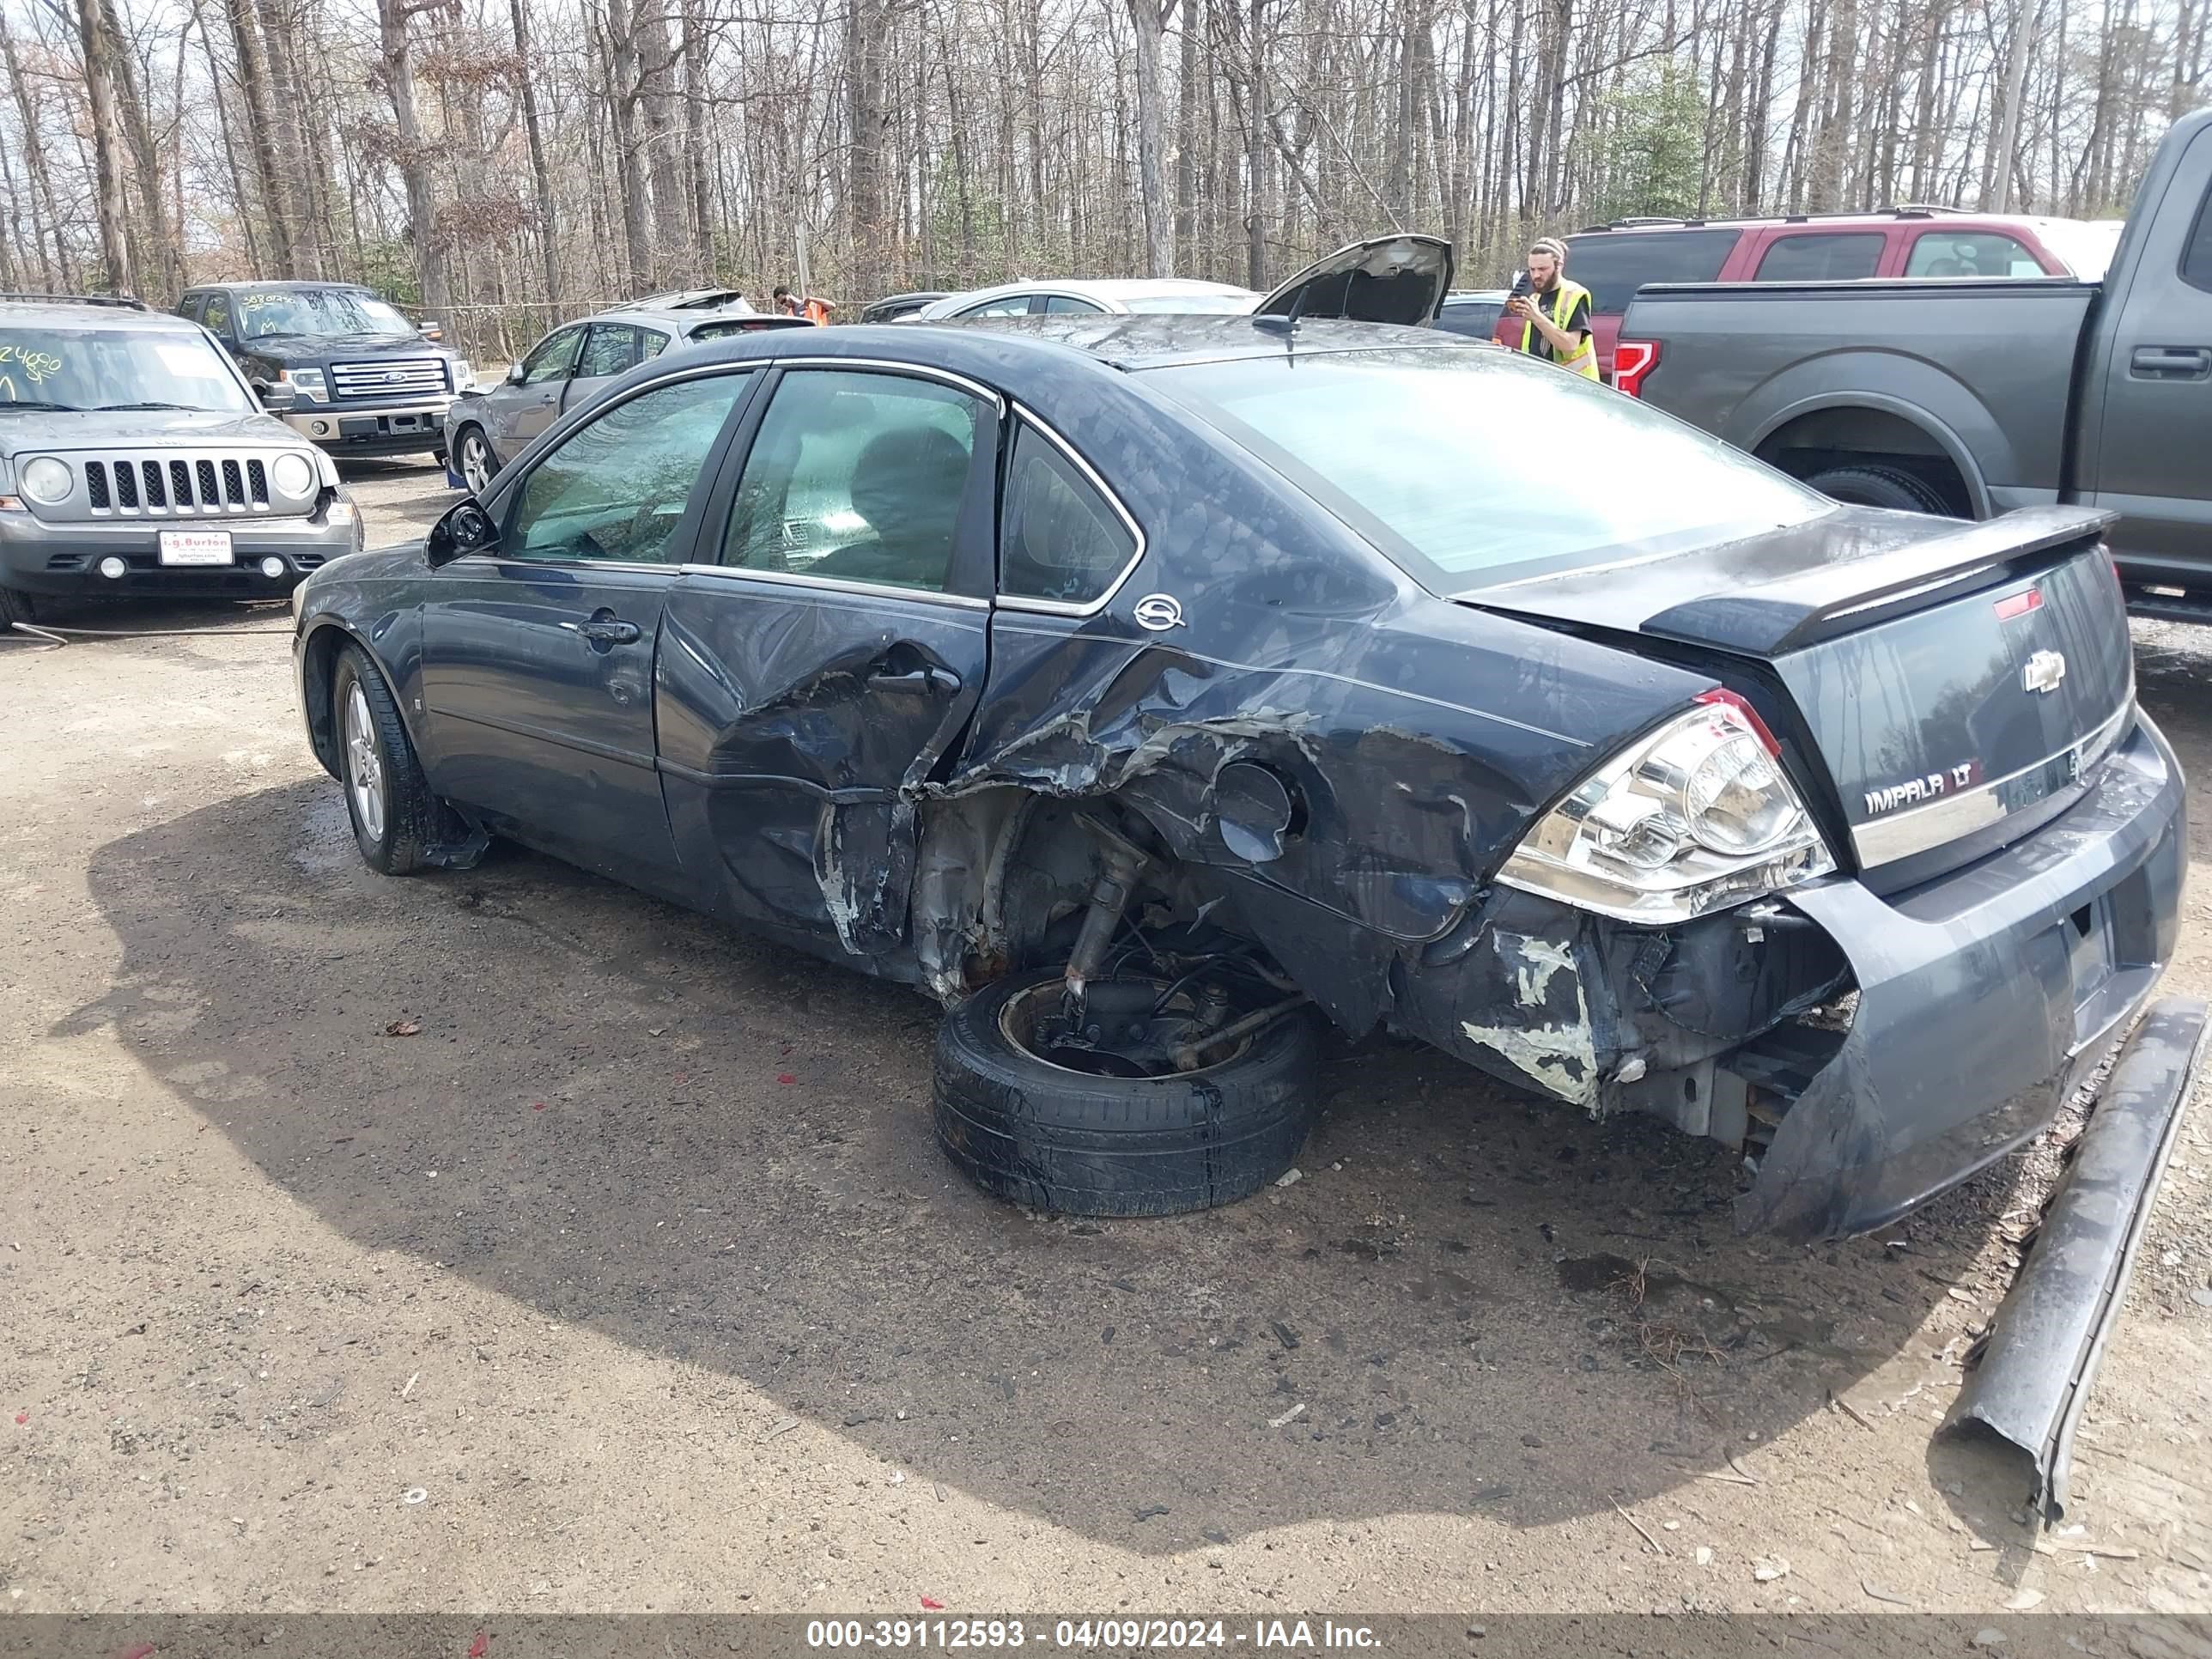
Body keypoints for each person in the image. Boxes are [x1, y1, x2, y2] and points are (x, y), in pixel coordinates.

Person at [1504, 237, 1598, 380]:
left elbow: (1570, 345)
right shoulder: (1535, 297)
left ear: (1559, 266)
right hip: (1541, 382)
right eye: (1532, 269)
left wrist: (1536, 317)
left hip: (1574, 386)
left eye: (1542, 269)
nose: (1536, 275)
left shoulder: (1575, 294)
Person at [772, 284, 836, 326]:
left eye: (784, 300)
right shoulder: (790, 315)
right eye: (782, 303)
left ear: (789, 294)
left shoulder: (813, 305)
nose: (785, 304)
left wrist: (812, 299)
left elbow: (832, 306)